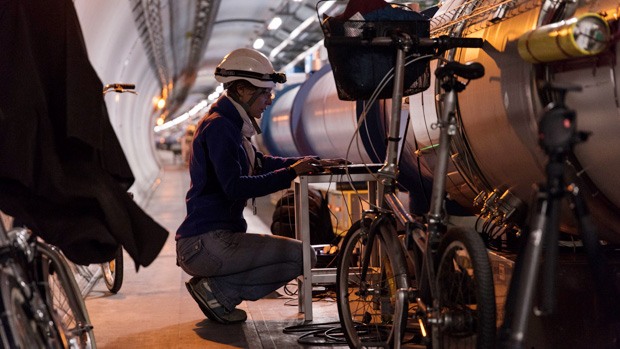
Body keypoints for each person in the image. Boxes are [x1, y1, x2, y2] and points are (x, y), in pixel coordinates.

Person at [175, 48, 342, 324]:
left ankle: (218, 292)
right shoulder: (220, 128)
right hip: (206, 244)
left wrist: (307, 161)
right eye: (265, 93)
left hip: (209, 241)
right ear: (242, 90)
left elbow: (260, 163)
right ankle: (219, 293)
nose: (269, 100)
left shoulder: (231, 125)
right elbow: (234, 187)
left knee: (300, 255)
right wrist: (290, 173)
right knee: (302, 255)